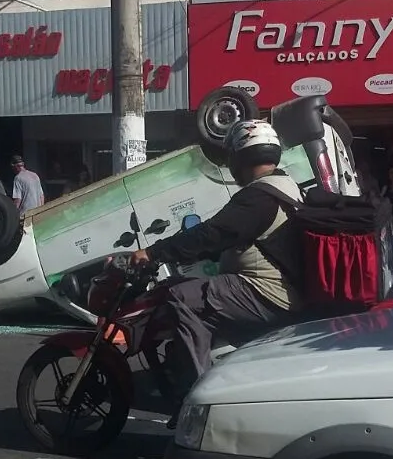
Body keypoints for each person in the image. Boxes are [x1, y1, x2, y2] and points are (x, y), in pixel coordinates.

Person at [129, 120, 303, 427]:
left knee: (180, 296)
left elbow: (213, 233)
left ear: (239, 158)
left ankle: (198, 400)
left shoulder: (258, 197)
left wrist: (154, 252)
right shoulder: (286, 186)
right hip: (285, 291)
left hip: (265, 292)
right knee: (195, 291)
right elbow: (233, 238)